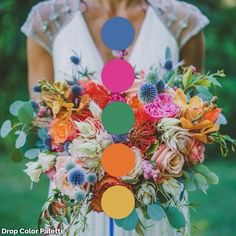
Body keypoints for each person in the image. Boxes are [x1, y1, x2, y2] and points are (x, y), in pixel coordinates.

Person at [21, 0, 209, 235]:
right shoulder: (48, 19)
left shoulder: (182, 21)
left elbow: (193, 116)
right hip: (79, 198)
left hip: (155, 202)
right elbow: (42, 118)